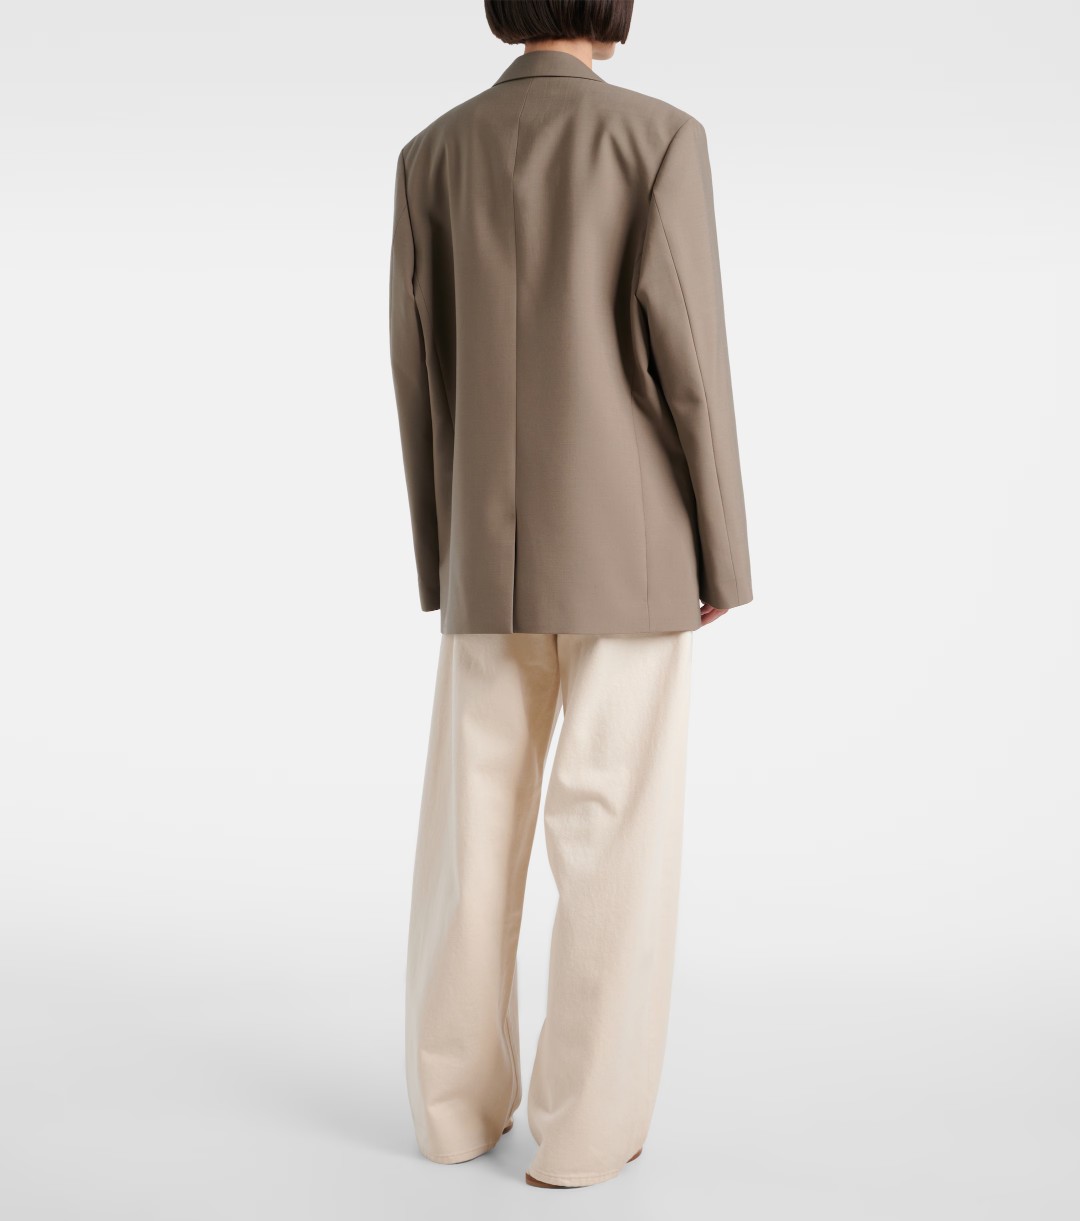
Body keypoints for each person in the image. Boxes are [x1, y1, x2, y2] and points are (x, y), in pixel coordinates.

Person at [388, 0, 753, 1190]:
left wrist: (441, 549)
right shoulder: (658, 140)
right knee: (613, 835)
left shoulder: (433, 154)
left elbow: (417, 370)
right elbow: (690, 366)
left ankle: (452, 1110)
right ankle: (588, 1133)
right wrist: (723, 556)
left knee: (470, 829)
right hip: (630, 548)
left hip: (484, 549)